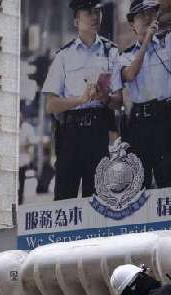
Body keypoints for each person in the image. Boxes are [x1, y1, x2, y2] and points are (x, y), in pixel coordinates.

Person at [42, 0, 122, 200]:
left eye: (98, 11)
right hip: (70, 135)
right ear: (76, 20)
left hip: (98, 133)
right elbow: (51, 105)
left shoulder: (110, 52)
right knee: (64, 198)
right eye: (88, 12)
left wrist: (105, 97)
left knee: (97, 201)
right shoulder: (64, 56)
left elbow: (119, 101)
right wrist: (80, 99)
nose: (95, 16)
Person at [113, 0, 171, 189]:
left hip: (167, 122)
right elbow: (130, 74)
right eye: (141, 15)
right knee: (139, 187)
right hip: (140, 126)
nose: (148, 17)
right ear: (132, 24)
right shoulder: (125, 56)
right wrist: (146, 41)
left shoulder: (167, 42)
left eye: (151, 13)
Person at [18, 109, 35, 205]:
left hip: (23, 159)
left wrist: (23, 146)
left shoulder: (28, 127)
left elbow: (31, 142)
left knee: (21, 182)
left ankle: (20, 201)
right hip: (13, 159)